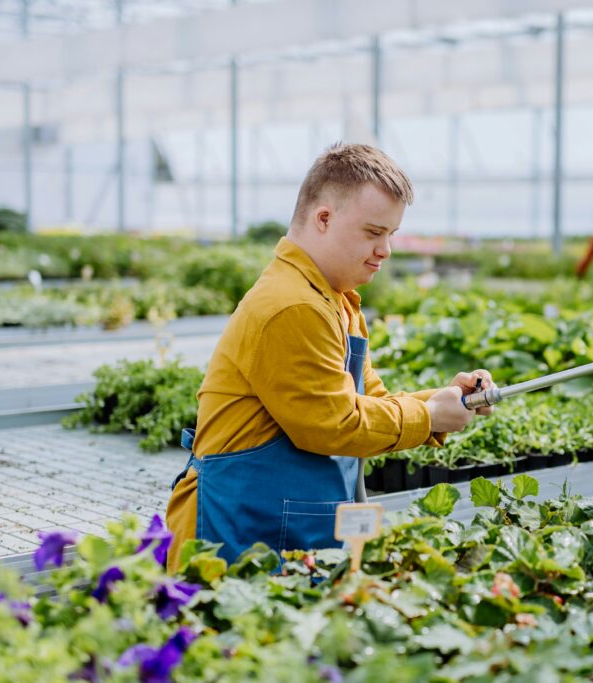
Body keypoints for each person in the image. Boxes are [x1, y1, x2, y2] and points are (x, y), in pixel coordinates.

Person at [165, 143, 494, 571]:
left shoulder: (336, 300)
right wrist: (429, 416)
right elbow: (333, 424)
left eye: (390, 235)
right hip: (241, 533)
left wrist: (447, 398)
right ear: (324, 218)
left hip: (285, 522)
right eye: (373, 233)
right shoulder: (293, 305)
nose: (385, 251)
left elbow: (368, 403)